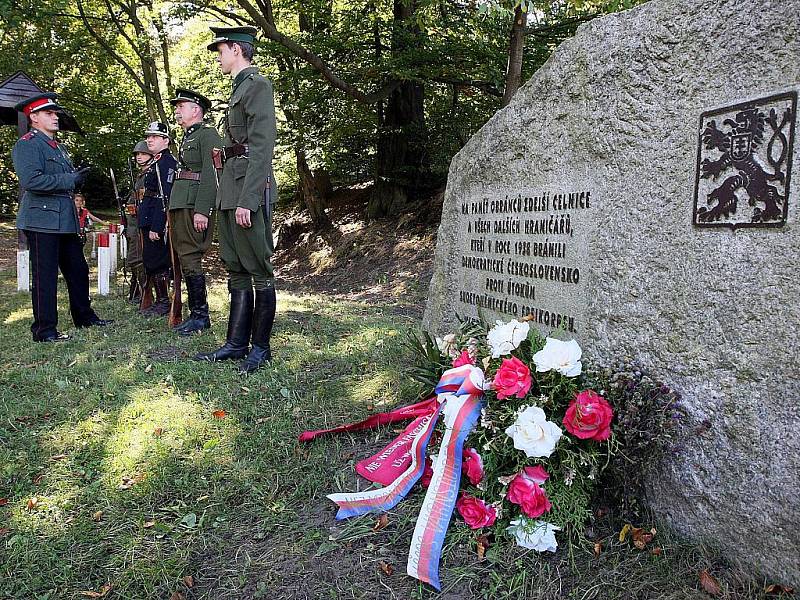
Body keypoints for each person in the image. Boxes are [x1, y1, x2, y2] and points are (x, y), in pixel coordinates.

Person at [196, 26, 278, 374]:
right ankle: (235, 343)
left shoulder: (257, 85)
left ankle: (260, 348)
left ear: (236, 49)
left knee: (258, 268)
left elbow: (261, 147)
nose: (218, 56)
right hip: (232, 186)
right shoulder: (238, 88)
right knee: (235, 264)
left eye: (221, 50)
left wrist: (248, 200)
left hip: (248, 188)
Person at [12, 92, 112, 342]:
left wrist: (76, 177)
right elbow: (31, 181)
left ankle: (84, 317)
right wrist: (70, 179)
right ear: (33, 117)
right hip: (41, 221)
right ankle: (44, 330)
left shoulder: (59, 147)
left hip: (64, 220)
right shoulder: (27, 144)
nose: (55, 117)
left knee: (77, 270)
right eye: (49, 113)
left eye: (55, 113)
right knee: (45, 277)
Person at [169, 88, 222, 335]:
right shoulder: (189, 136)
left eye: (181, 106)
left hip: (193, 204)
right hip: (182, 202)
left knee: (190, 255)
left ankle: (200, 315)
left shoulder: (207, 135)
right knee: (184, 255)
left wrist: (203, 210)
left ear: (196, 109)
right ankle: (196, 313)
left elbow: (211, 175)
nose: (177, 111)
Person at [138, 122, 176, 316]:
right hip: (148, 215)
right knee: (150, 260)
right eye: (148, 137)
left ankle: (163, 302)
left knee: (159, 261)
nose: (149, 140)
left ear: (166, 141)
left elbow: (165, 196)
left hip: (156, 219)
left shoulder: (167, 162)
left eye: (154, 137)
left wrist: (157, 225)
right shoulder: (156, 161)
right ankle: (157, 300)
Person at [124, 141, 153, 304]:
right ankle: (138, 294)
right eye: (137, 154)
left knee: (136, 259)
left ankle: (145, 296)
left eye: (143, 154)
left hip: (141, 225)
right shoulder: (141, 175)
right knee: (136, 259)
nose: (139, 157)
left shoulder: (149, 175)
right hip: (134, 224)